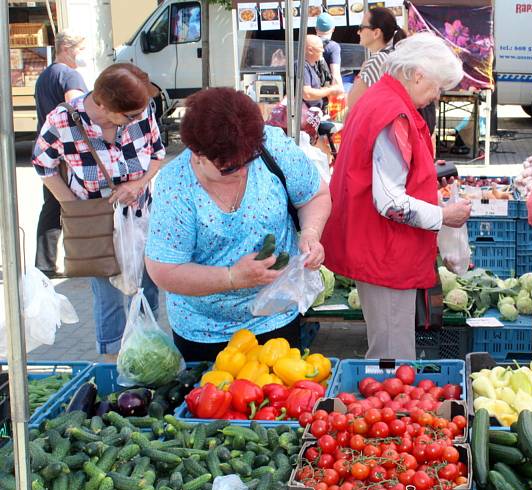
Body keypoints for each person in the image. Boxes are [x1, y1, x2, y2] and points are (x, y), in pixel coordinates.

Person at [145, 88, 331, 362]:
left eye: (249, 159)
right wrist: (232, 277)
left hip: (275, 316)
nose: (243, 170)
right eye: (229, 168)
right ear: (197, 153)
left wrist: (312, 233)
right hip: (204, 330)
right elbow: (164, 270)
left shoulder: (273, 148)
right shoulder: (176, 186)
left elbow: (315, 195)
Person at [321, 33, 470, 359]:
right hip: (386, 251)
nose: (435, 97)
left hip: (377, 247)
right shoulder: (394, 114)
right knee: (392, 358)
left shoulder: (378, 100)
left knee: (386, 350)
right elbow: (391, 202)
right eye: (436, 87)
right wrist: (444, 216)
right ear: (418, 75)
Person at [31, 63, 165, 359]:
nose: (139, 118)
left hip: (141, 218)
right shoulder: (62, 121)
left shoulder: (142, 110)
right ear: (103, 106)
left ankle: (152, 354)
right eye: (130, 116)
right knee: (108, 299)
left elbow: (157, 154)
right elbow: (43, 165)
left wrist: (139, 184)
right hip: (98, 226)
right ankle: (113, 364)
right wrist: (74, 207)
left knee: (147, 290)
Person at [33, 29, 88, 278]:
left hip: (48, 153)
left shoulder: (45, 76)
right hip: (70, 155)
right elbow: (77, 113)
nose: (83, 54)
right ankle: (84, 258)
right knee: (77, 208)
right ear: (66, 48)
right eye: (81, 49)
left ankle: (44, 263)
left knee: (52, 206)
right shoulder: (70, 76)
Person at [346, 7, 407, 110]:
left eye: (361, 27)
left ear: (376, 33)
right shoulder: (395, 56)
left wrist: (361, 72)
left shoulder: (377, 60)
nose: (358, 32)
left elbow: (353, 103)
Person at [303, 34, 343, 110]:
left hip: (317, 113)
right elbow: (307, 94)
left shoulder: (315, 66)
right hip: (306, 115)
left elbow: (316, 89)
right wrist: (330, 90)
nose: (323, 50)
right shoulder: (302, 66)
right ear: (310, 50)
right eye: (320, 48)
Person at [315, 12, 343, 88]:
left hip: (308, 91)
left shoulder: (308, 44)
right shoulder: (333, 47)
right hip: (325, 91)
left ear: (316, 28)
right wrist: (341, 93)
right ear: (333, 29)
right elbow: (335, 74)